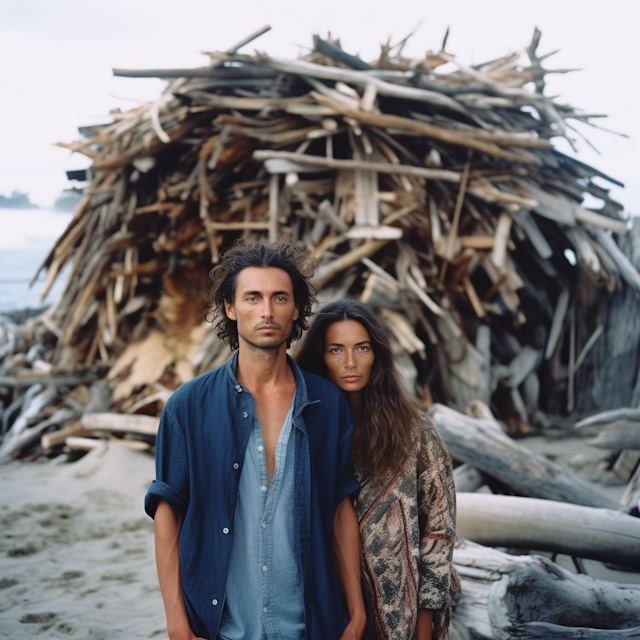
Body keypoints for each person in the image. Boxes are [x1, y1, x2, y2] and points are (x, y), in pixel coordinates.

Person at [145, 241, 366, 640]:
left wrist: (356, 612)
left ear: (296, 309)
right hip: (223, 628)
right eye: (253, 298)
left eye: (279, 297)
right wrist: (176, 624)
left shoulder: (326, 403)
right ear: (230, 308)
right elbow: (167, 515)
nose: (267, 311)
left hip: (311, 624)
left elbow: (340, 509)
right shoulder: (188, 406)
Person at [296, 300, 460, 640]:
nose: (351, 362)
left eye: (362, 348)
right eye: (336, 350)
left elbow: (439, 534)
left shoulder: (415, 431)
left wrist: (423, 628)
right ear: (319, 358)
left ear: (378, 355)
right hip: (327, 607)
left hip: (406, 616)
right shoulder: (304, 433)